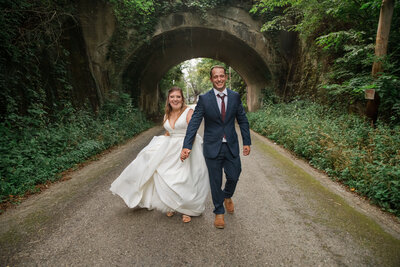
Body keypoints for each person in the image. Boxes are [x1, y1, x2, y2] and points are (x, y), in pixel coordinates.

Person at [110, 87, 209, 223]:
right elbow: (169, 132)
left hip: (187, 146)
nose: (175, 99)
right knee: (167, 175)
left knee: (186, 177)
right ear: (168, 99)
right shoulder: (166, 114)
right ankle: (171, 204)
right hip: (170, 148)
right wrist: (156, 147)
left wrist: (187, 148)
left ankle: (188, 209)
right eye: (172, 97)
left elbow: (192, 130)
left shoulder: (188, 111)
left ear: (182, 99)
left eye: (178, 97)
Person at [181, 65, 251, 229]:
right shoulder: (205, 99)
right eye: (215, 77)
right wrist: (187, 145)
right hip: (212, 146)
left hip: (231, 145)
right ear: (212, 79)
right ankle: (219, 211)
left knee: (234, 175)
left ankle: (227, 196)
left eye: (221, 76)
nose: (219, 79)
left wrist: (246, 141)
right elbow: (194, 123)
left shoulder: (234, 96)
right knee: (215, 180)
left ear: (225, 77)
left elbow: (242, 120)